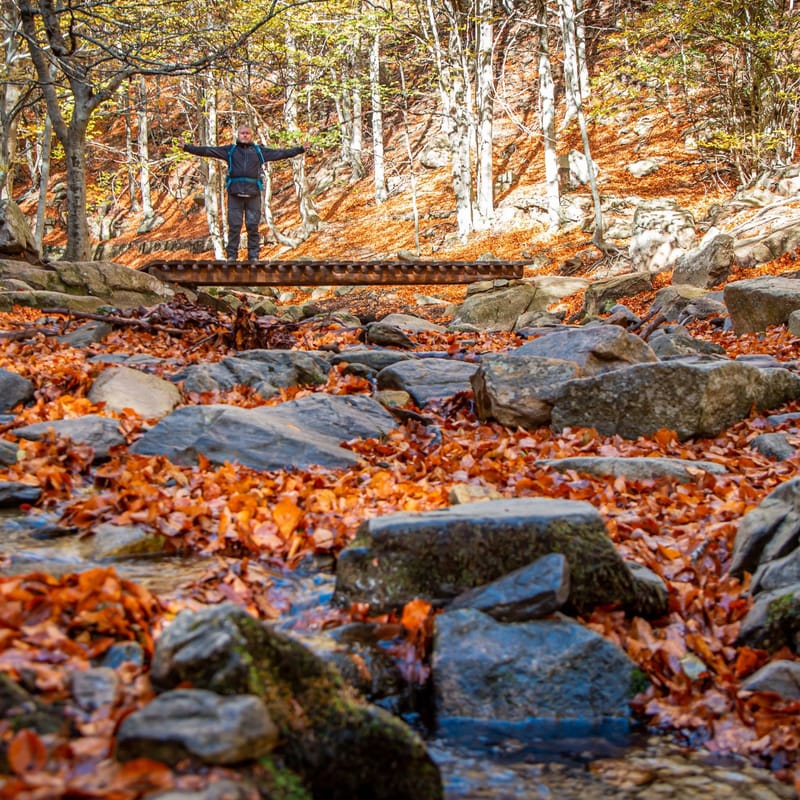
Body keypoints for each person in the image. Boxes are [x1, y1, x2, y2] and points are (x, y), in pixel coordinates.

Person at [182, 125, 307, 262]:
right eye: (242, 133)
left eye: (247, 133)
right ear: (238, 135)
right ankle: (231, 256)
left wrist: (300, 149)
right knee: (234, 226)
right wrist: (187, 147)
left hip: (253, 194)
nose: (245, 135)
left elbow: (281, 153)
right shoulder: (230, 150)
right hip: (234, 194)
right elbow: (208, 150)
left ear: (251, 135)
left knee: (253, 226)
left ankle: (253, 256)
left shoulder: (259, 151)